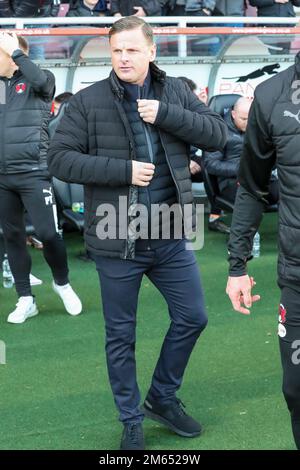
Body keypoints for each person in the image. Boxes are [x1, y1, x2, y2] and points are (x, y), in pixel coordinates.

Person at [48, 16, 227, 450]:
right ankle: (131, 419)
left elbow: (218, 134)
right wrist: (123, 171)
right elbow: (59, 159)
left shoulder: (176, 92)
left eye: (131, 49)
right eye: (116, 51)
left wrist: (167, 114)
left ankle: (162, 397)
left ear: (151, 50)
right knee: (120, 336)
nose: (123, 58)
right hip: (115, 238)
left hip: (168, 234)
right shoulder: (88, 101)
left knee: (193, 317)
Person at [226, 51, 300, 450]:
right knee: (296, 390)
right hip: (297, 275)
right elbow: (251, 187)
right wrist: (237, 265)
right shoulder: (272, 95)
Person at [0, 32, 82, 323]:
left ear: (13, 53)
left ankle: (62, 283)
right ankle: (25, 298)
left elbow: (41, 82)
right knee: (12, 235)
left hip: (34, 172)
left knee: (48, 234)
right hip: (3, 177)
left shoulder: (39, 80)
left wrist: (15, 52)